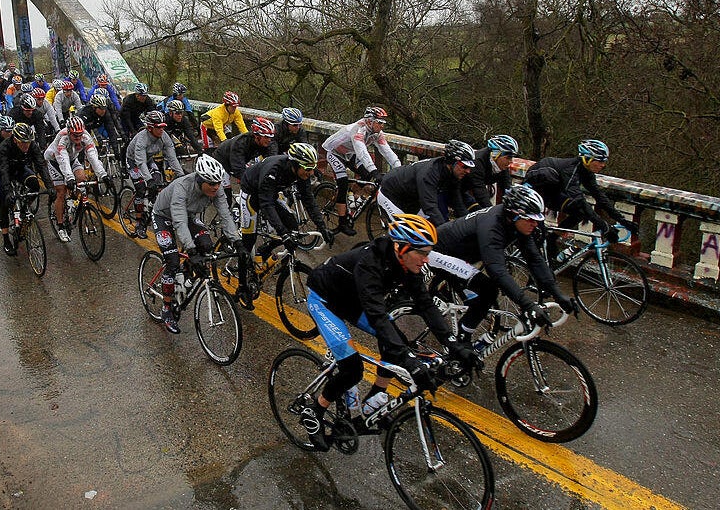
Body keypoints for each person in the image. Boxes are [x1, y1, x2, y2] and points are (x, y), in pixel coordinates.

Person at [300, 214, 454, 450]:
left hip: (352, 301)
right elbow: (377, 315)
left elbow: (425, 303)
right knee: (352, 369)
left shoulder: (406, 263)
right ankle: (315, 410)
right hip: (324, 299)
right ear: (402, 248)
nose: (426, 259)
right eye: (422, 253)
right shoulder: (369, 262)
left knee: (396, 341)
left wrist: (453, 344)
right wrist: (409, 360)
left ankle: (375, 396)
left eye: (428, 253)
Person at [431, 184, 576, 346]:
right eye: (530, 219)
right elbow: (497, 271)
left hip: (462, 256)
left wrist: (558, 293)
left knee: (483, 297)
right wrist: (528, 305)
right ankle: (460, 340)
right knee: (489, 290)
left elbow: (535, 259)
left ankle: (459, 322)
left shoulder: (518, 224)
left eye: (537, 219)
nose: (535, 224)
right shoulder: (493, 226)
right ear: (514, 215)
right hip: (439, 252)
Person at [151, 155, 242, 333]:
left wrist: (237, 241)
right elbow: (179, 223)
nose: (216, 187)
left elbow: (225, 216)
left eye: (218, 183)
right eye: (211, 183)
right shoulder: (181, 188)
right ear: (199, 179)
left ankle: (184, 281)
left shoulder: (217, 189)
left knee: (207, 246)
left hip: (189, 216)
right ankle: (167, 309)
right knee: (173, 261)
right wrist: (191, 250)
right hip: (164, 216)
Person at [235, 143, 334, 306]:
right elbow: (266, 205)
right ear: (294, 164)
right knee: (247, 241)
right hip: (252, 193)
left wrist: (323, 227)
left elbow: (309, 201)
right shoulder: (273, 170)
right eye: (307, 168)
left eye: (312, 169)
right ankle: (242, 287)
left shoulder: (302, 174)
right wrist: (283, 233)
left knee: (292, 225)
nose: (310, 173)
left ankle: (264, 250)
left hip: (271, 193)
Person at [524, 139, 638, 253]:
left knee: (579, 213)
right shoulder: (570, 170)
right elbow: (580, 201)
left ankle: (551, 239)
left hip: (552, 191)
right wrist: (604, 227)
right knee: (540, 233)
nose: (603, 165)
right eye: (600, 161)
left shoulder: (586, 172)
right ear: (587, 159)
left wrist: (623, 221)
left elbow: (601, 198)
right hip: (537, 189)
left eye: (604, 161)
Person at [322, 106, 402, 236]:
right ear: (370, 121)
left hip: (350, 153)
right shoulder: (358, 130)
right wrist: (374, 171)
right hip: (335, 152)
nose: (382, 126)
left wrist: (399, 169)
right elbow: (362, 152)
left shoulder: (377, 133)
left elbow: (387, 151)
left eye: (383, 123)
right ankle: (342, 223)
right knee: (342, 183)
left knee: (366, 176)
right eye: (380, 122)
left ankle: (352, 196)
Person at [377, 139, 475, 227]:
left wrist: (469, 223)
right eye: (464, 166)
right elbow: (430, 205)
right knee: (404, 233)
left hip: (411, 198)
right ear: (452, 162)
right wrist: (446, 230)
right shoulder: (430, 173)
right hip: (390, 192)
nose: (468, 171)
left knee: (428, 227)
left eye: (470, 168)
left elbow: (457, 201)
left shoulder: (453, 174)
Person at [44, 115, 112, 242]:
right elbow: (62, 160)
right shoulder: (62, 138)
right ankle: (60, 226)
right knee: (61, 191)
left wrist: (103, 175)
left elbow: (92, 157)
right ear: (69, 132)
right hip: (55, 161)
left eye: (80, 134)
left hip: (72, 159)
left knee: (82, 178)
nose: (78, 138)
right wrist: (69, 178)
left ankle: (72, 202)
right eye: (75, 135)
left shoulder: (86, 137)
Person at [0, 123, 54, 254]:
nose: (26, 145)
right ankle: (6, 239)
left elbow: (41, 165)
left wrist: (49, 186)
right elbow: (3, 170)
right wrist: (8, 191)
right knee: (4, 202)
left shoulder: (32, 145)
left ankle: (24, 207)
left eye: (28, 142)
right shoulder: (5, 147)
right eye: (23, 143)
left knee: (34, 184)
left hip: (20, 169)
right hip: (4, 171)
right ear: (15, 140)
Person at [124, 111, 184, 239]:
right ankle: (140, 223)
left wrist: (181, 175)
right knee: (141, 188)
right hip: (134, 161)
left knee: (158, 182)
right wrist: (148, 180)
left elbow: (172, 158)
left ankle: (152, 206)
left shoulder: (164, 136)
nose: (162, 129)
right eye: (159, 127)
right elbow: (140, 162)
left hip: (149, 160)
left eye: (163, 127)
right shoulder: (142, 139)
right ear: (150, 128)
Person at [211, 117, 276, 199]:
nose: (269, 140)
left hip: (240, 159)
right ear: (257, 136)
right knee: (227, 198)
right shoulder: (241, 143)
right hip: (221, 162)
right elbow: (238, 169)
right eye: (266, 137)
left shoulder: (266, 143)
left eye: (271, 137)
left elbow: (272, 161)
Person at [464, 135, 518, 209]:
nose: (511, 161)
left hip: (473, 188)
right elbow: (480, 192)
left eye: (512, 157)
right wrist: (491, 212)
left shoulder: (503, 166)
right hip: (459, 187)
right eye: (508, 158)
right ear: (495, 155)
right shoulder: (478, 162)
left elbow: (507, 188)